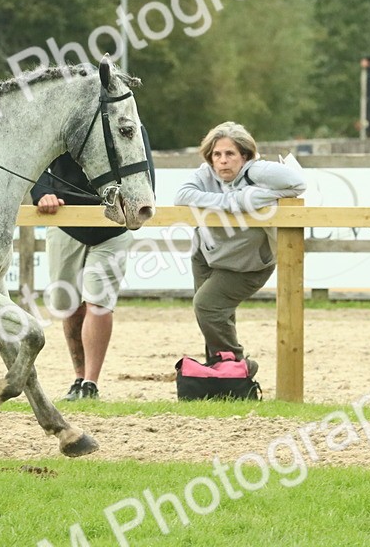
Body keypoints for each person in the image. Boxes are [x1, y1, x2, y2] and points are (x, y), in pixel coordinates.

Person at [173, 122, 305, 374]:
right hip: (206, 254)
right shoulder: (205, 173)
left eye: (230, 154)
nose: (223, 161)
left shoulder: (258, 171)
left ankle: (237, 366)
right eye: (217, 155)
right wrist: (230, 202)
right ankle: (220, 372)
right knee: (213, 315)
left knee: (206, 306)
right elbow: (181, 195)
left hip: (249, 264)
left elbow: (298, 183)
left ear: (244, 156)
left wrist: (253, 196)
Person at [31, 131, 152, 402]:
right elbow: (38, 157)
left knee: (99, 302)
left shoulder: (126, 119)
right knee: (68, 305)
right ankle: (79, 377)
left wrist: (140, 199)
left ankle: (90, 383)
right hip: (66, 222)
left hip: (113, 228)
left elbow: (143, 164)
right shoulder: (64, 119)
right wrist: (43, 193)